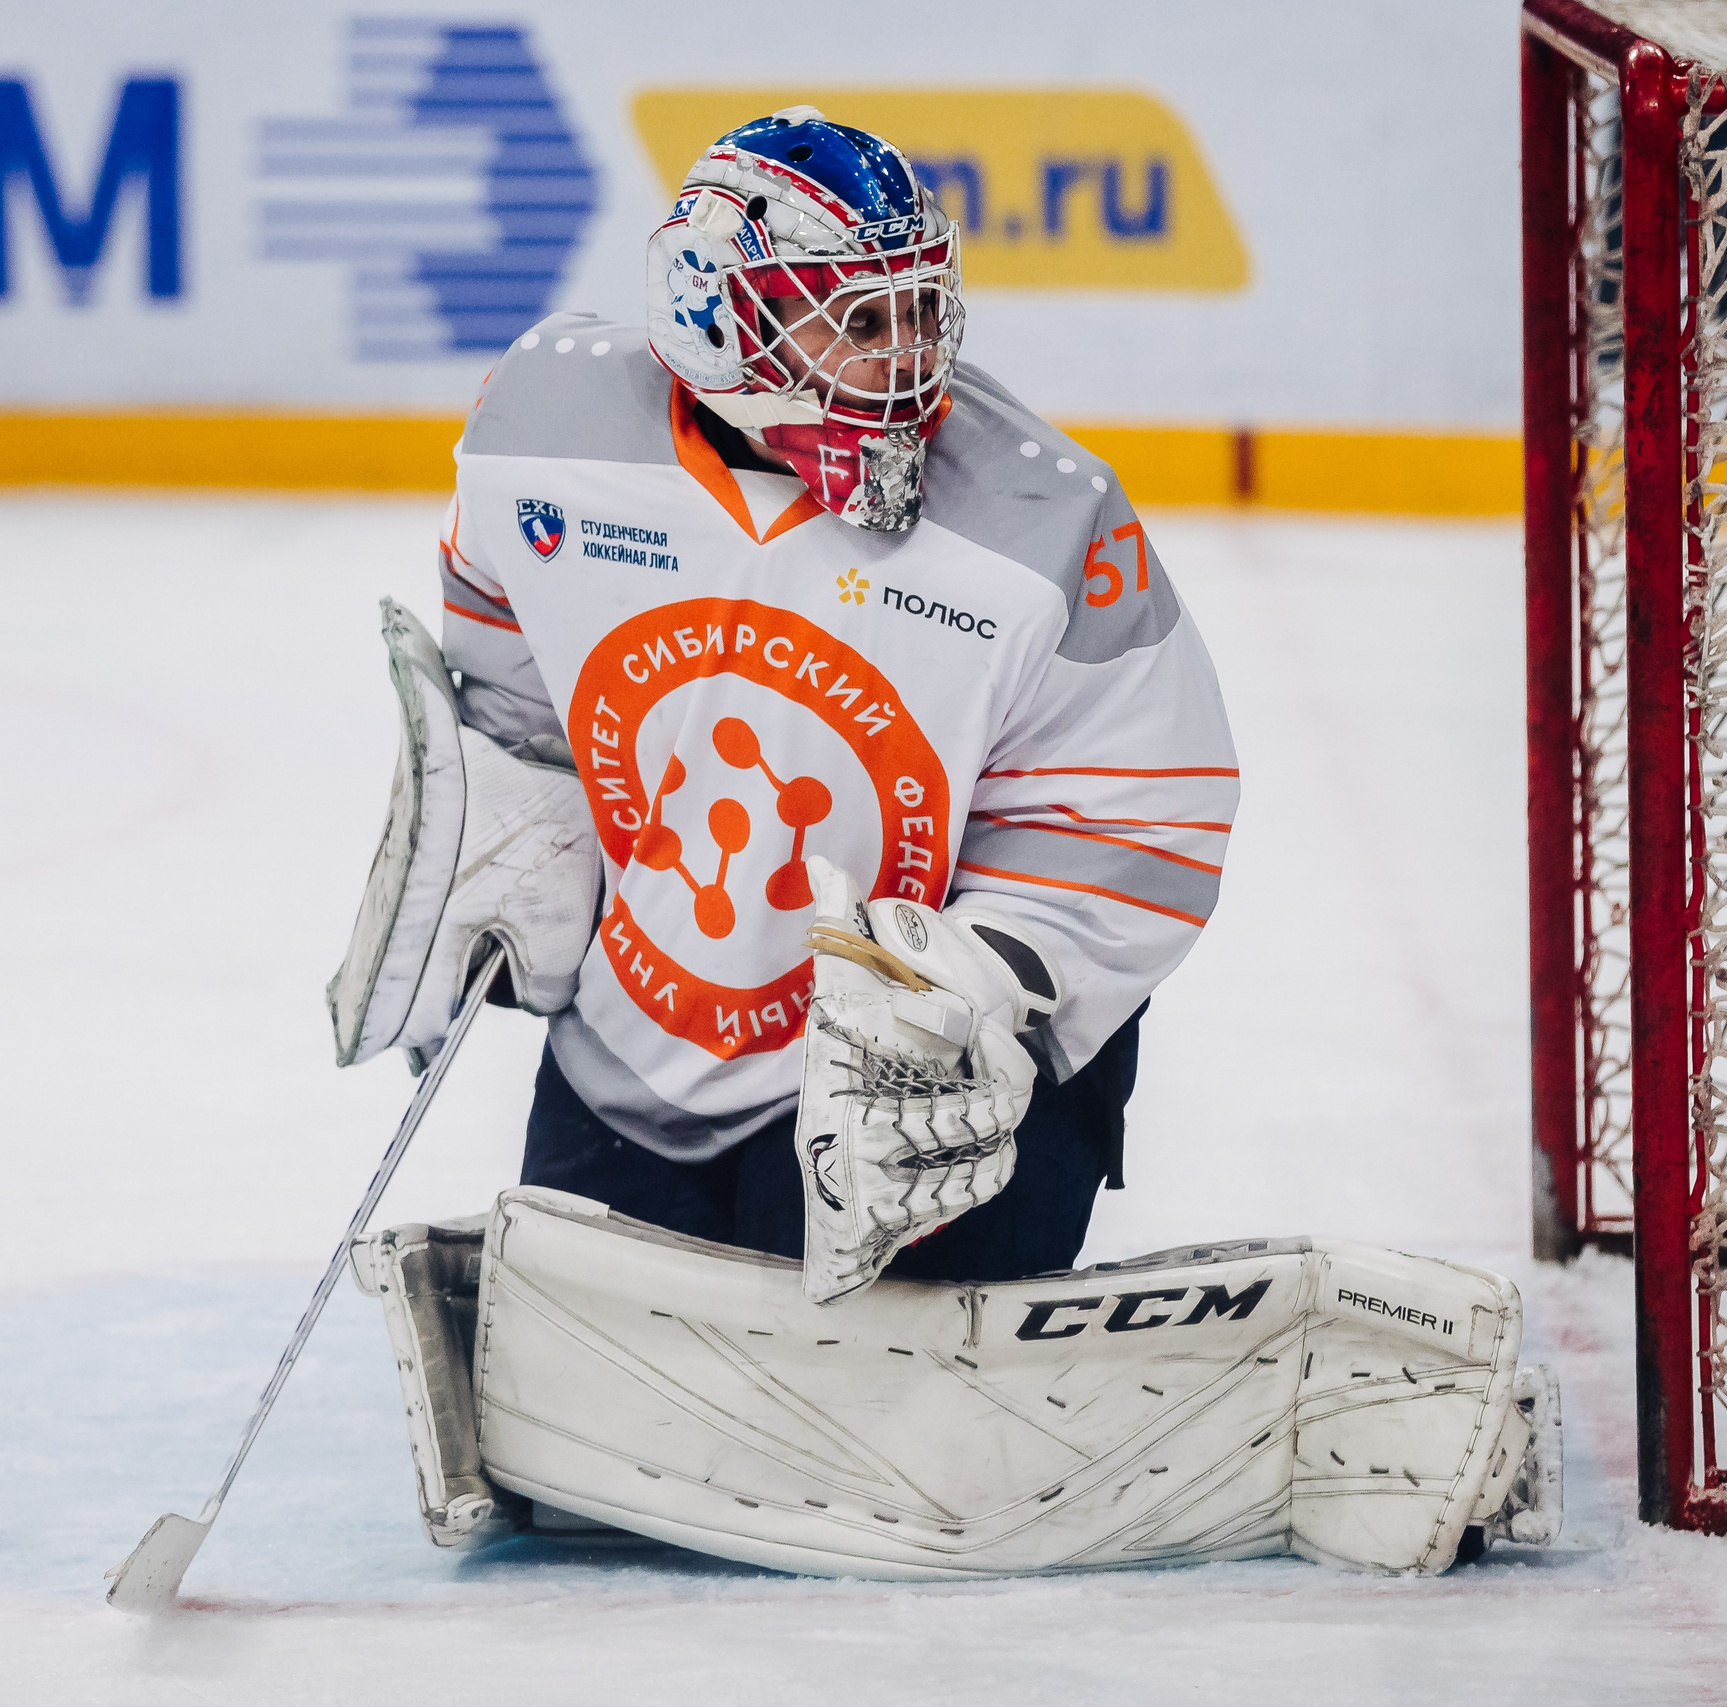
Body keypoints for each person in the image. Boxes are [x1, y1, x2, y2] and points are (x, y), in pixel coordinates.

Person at [429, 106, 1236, 1285]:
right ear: (719, 317)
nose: (909, 356)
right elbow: (501, 631)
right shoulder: (543, 431)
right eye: (860, 320)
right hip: (638, 1044)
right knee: (595, 1404)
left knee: (884, 1445)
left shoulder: (1046, 523)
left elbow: (1133, 811)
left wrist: (986, 980)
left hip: (936, 1078)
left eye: (919, 310)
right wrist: (514, 822)